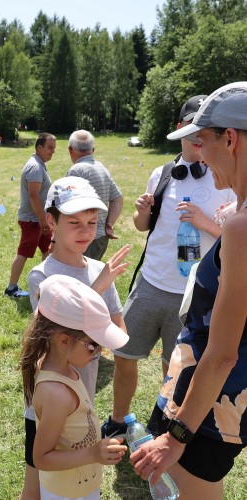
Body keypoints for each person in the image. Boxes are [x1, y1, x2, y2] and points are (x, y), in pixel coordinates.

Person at [130, 82, 247, 500]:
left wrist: (176, 434)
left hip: (210, 403)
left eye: (201, 143)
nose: (197, 156)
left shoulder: (240, 227)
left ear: (229, 139)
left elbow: (222, 353)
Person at [101, 95, 236, 439]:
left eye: (203, 130)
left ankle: (164, 428)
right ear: (179, 129)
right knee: (124, 355)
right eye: (191, 128)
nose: (197, 136)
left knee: (174, 367)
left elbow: (235, 235)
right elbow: (143, 225)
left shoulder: (224, 179)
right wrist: (142, 211)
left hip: (192, 293)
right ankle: (118, 420)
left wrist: (206, 223)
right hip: (150, 284)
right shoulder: (161, 173)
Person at [20, 177, 130, 499]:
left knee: (76, 482)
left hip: (83, 399)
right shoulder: (42, 276)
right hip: (49, 403)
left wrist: (102, 282)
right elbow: (57, 333)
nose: (86, 231)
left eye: (93, 222)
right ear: (51, 222)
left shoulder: (100, 269)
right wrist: (97, 288)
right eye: (74, 222)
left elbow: (118, 334)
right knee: (36, 485)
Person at [20, 274, 130, 500]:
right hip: (67, 493)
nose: (99, 353)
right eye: (93, 346)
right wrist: (92, 453)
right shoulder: (56, 393)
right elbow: (41, 458)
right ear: (63, 341)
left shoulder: (63, 367)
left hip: (80, 485)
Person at [4, 133, 56, 298]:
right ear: (39, 147)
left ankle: (47, 285)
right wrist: (42, 221)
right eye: (49, 148)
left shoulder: (39, 164)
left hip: (39, 219)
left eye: (54, 148)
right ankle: (11, 289)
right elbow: (34, 195)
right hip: (32, 220)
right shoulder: (35, 167)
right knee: (24, 252)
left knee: (48, 249)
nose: (52, 151)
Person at [66, 130, 123, 260]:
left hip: (81, 238)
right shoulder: (102, 167)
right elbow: (117, 198)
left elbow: (69, 206)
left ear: (70, 149)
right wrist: (109, 224)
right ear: (92, 150)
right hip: (101, 237)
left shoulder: (76, 170)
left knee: (75, 278)